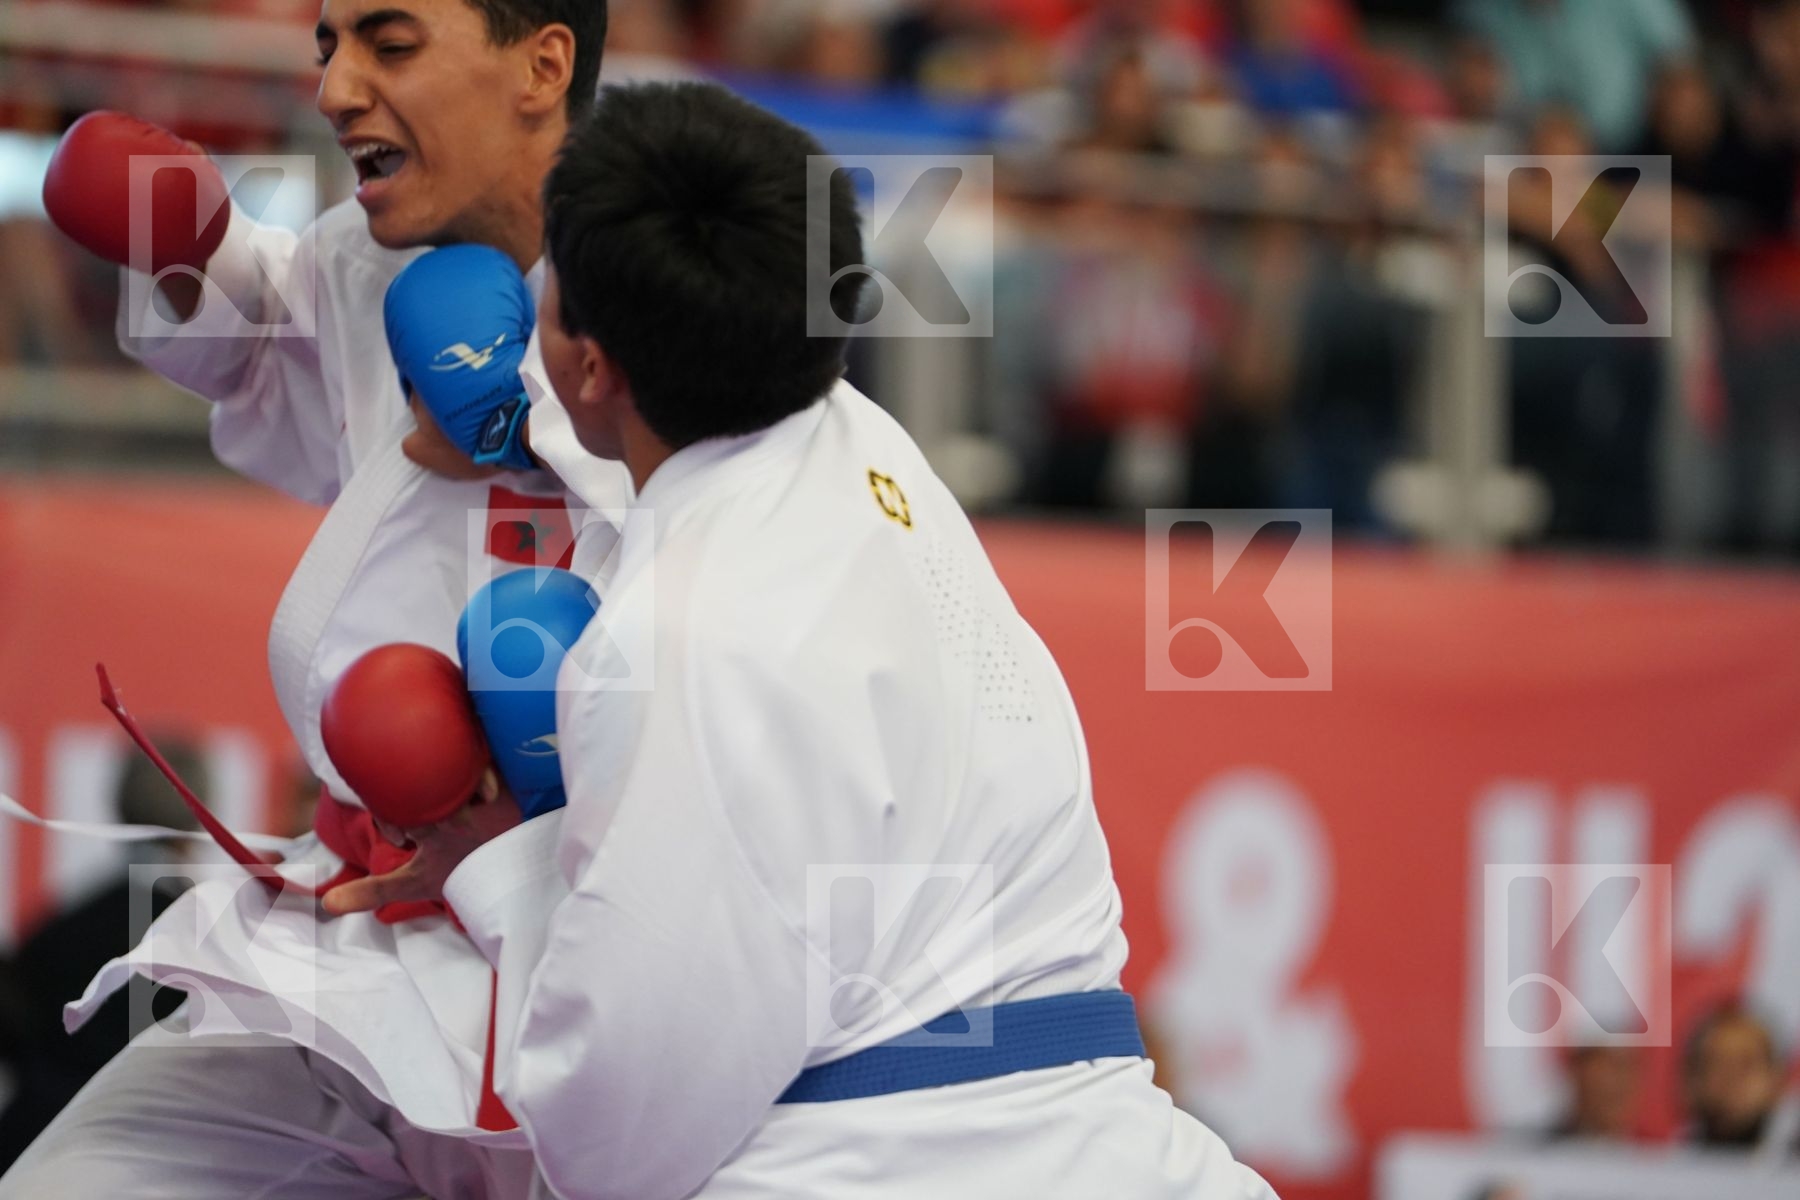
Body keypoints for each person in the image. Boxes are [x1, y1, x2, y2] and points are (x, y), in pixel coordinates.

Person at [326, 80, 1280, 1200]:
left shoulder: (673, 645)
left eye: (549, 292)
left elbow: (611, 1140)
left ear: (591, 364)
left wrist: (496, 870)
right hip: (1125, 1151)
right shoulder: (870, 449)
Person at [4, 1, 623, 1196]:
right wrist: (186, 248)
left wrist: (530, 422)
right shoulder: (360, 256)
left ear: (544, 64)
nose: (337, 90)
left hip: (602, 949)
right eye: (327, 47)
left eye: (388, 47)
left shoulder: (680, 283)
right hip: (363, 935)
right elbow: (263, 357)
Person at [1682, 1002, 1800, 1157]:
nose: (1731, 1078)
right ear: (1694, 1080)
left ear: (1777, 1077)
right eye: (1716, 1063)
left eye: (1746, 1063)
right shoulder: (1670, 1160)